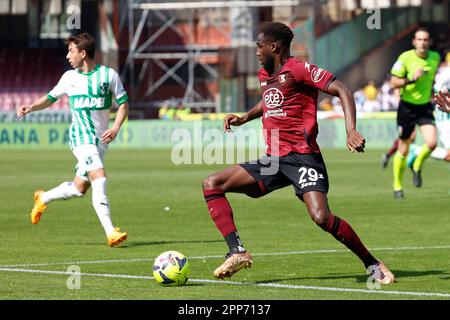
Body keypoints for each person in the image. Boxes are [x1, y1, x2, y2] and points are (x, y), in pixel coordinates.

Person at [202, 22, 394, 284]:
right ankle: (237, 251)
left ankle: (373, 264)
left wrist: (351, 130)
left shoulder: (300, 69)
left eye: (259, 47)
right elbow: (270, 100)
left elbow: (342, 90)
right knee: (212, 184)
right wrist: (245, 117)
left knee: (321, 217)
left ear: (274, 47)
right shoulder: (265, 74)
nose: (256, 52)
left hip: (303, 157)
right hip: (273, 159)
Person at [16, 32, 128, 247]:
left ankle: (43, 198)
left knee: (79, 189)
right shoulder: (69, 78)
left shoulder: (108, 75)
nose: (68, 56)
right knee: (100, 177)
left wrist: (115, 127)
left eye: (71, 51)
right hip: (80, 138)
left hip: (100, 141)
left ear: (83, 53)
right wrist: (30, 107)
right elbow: (50, 98)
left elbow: (123, 103)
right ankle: (110, 231)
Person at [389, 27, 440, 199]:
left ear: (430, 42)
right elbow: (393, 83)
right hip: (407, 108)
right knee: (404, 148)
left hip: (424, 106)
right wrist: (412, 79)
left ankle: (417, 165)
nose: (422, 43)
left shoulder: (435, 57)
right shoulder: (405, 58)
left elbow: (431, 79)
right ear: (414, 42)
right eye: (419, 39)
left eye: (425, 40)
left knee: (432, 143)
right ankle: (397, 186)